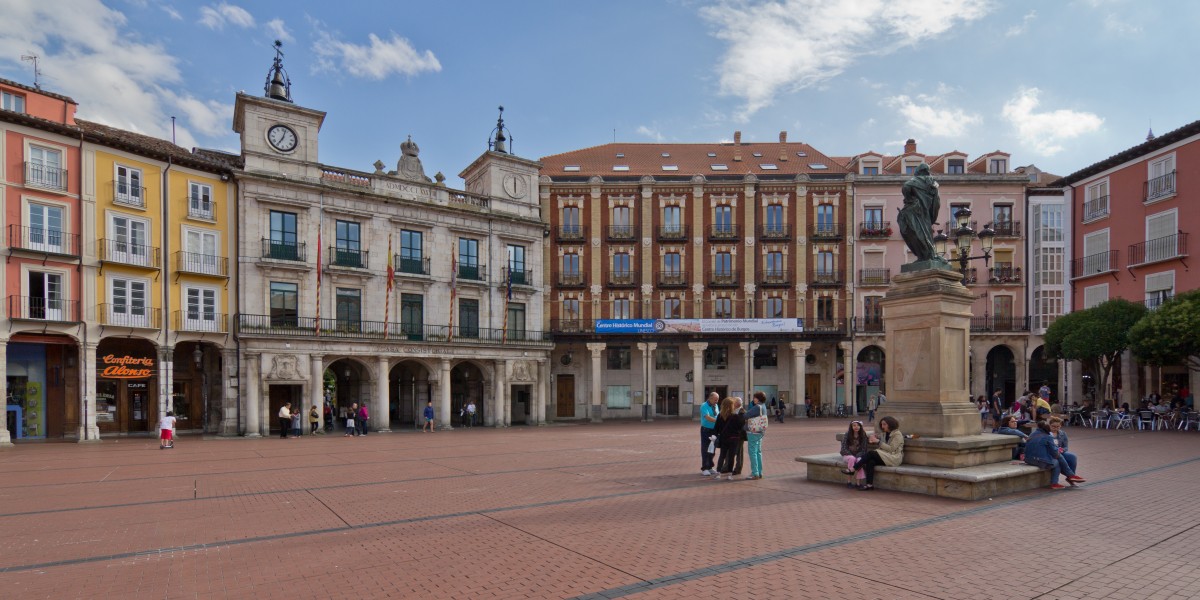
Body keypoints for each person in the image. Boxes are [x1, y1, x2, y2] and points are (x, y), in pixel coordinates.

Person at [1024, 420, 1085, 489]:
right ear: (1048, 427)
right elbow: (1055, 453)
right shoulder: (1048, 436)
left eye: (1058, 426)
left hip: (1028, 459)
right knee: (1057, 461)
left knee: (1071, 457)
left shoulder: (1033, 434)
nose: (1055, 428)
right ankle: (1064, 478)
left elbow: (1064, 447)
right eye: (1052, 426)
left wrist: (1061, 451)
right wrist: (1058, 453)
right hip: (1039, 459)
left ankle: (1069, 476)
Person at [857, 416, 904, 491]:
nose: (882, 426)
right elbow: (878, 440)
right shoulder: (884, 433)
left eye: (884, 424)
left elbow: (891, 449)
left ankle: (854, 468)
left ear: (890, 424)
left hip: (894, 457)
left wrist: (878, 441)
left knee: (871, 453)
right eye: (881, 424)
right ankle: (869, 485)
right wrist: (873, 439)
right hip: (885, 456)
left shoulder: (897, 434)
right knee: (870, 461)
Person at [715, 397, 746, 481]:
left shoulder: (720, 415)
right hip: (734, 439)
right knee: (731, 456)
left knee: (722, 456)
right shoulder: (735, 416)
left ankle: (718, 473)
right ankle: (729, 474)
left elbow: (716, 428)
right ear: (731, 405)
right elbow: (740, 426)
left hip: (724, 438)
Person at [744, 392, 768, 480]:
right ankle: (759, 472)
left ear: (758, 399)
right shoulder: (763, 406)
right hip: (760, 431)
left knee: (752, 452)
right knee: (758, 452)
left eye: (755, 398)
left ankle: (755, 473)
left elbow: (746, 415)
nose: (753, 399)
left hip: (753, 431)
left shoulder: (757, 407)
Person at [839, 420, 869, 488]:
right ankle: (849, 482)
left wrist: (857, 456)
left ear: (860, 427)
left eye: (858, 425)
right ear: (851, 426)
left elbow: (864, 449)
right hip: (847, 455)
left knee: (859, 461)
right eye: (854, 425)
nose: (856, 427)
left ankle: (858, 483)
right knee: (852, 459)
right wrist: (851, 455)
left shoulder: (863, 435)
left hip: (858, 455)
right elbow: (843, 448)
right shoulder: (847, 435)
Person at [699, 392, 719, 475]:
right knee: (705, 448)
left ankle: (710, 466)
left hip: (714, 430)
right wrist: (718, 421)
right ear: (710, 398)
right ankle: (704, 468)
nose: (716, 401)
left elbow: (717, 415)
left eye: (717, 399)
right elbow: (707, 417)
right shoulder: (704, 405)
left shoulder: (716, 405)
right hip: (706, 430)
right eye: (715, 399)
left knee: (712, 449)